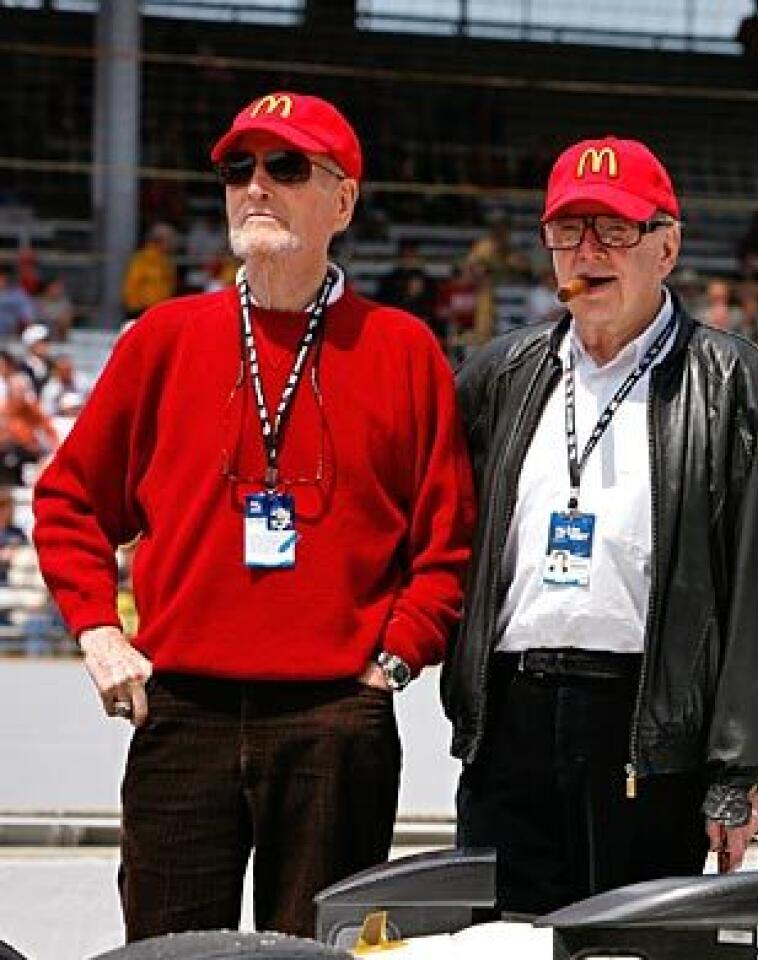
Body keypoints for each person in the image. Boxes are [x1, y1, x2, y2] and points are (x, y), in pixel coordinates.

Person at [32, 92, 475, 941]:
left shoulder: (403, 348)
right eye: (240, 168)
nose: (255, 187)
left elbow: (446, 537)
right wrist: (97, 629)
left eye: (285, 167)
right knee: (166, 954)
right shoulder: (163, 338)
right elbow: (69, 500)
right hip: (183, 710)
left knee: (317, 956)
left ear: (343, 200)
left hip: (336, 718)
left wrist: (399, 652)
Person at [448, 135, 758, 916]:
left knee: (639, 945)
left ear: (667, 246)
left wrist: (740, 770)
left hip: (650, 731)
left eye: (614, 229)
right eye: (568, 230)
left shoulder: (732, 379)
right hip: (512, 722)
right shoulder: (500, 375)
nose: (589, 251)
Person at [121, 223, 177, 320]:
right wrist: (134, 310)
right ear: (159, 241)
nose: (172, 244)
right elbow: (131, 284)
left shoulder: (166, 261)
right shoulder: (142, 259)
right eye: (169, 240)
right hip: (142, 310)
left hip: (160, 310)